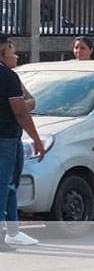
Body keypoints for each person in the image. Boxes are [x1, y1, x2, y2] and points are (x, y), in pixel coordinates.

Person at [1, 35, 46, 249]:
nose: (15, 54)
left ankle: (13, 230)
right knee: (3, 186)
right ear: (3, 52)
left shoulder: (11, 77)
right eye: (12, 50)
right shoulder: (7, 77)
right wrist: (37, 139)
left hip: (10, 138)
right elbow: (20, 110)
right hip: (5, 138)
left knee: (9, 185)